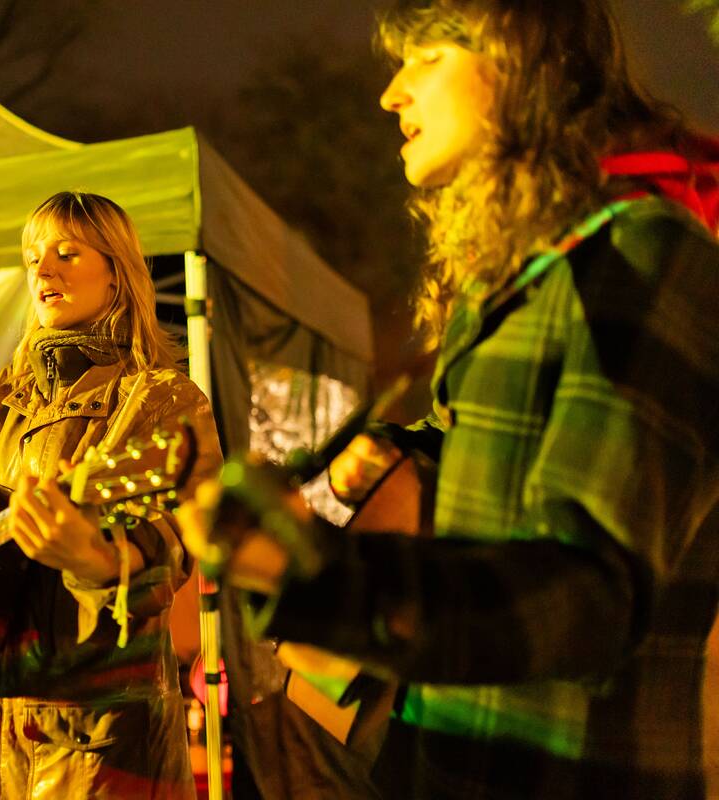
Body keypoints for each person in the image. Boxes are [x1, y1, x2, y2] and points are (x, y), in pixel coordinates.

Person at [183, 1, 719, 798]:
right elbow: (491, 461)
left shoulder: (646, 256)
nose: (391, 94)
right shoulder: (513, 285)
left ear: (520, 56)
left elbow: (587, 594)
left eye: (425, 57)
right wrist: (378, 458)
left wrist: (326, 584)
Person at [0, 191, 222, 799]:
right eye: (33, 258)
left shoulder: (161, 398)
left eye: (67, 253)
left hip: (94, 728)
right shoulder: (0, 395)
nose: (43, 270)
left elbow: (176, 546)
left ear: (118, 274)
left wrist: (93, 556)